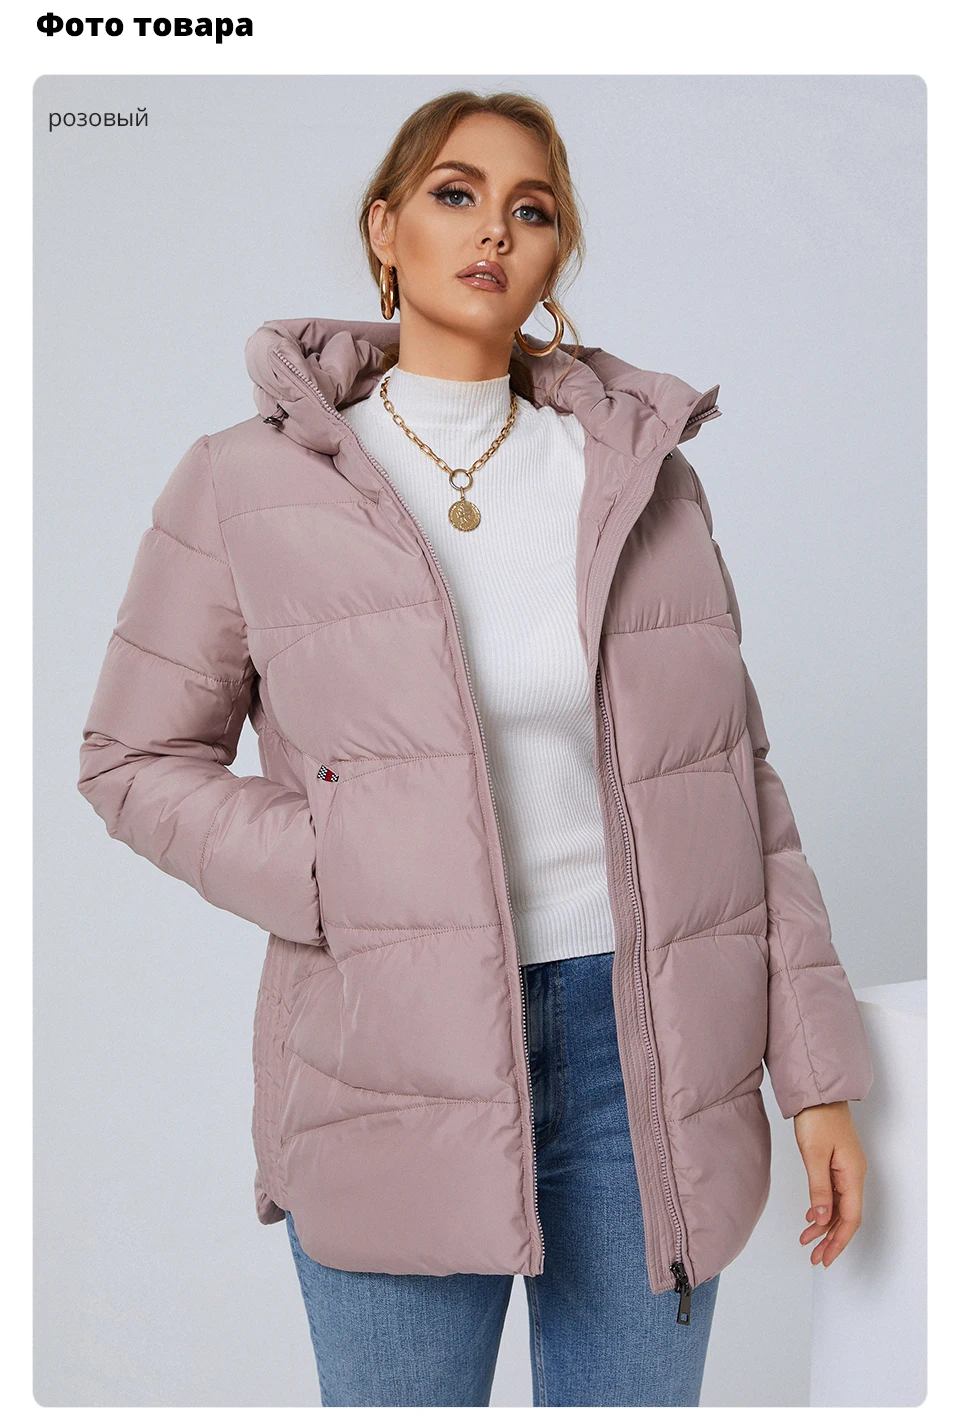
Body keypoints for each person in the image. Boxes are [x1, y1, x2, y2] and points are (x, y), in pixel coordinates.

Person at [77, 89, 873, 1407]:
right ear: (384, 229)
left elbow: (737, 789)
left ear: (557, 256)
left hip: (646, 1059)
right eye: (456, 194)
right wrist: (337, 868)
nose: (494, 228)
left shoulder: (642, 478)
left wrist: (820, 1078)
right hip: (391, 1060)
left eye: (532, 208)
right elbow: (130, 758)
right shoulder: (243, 484)